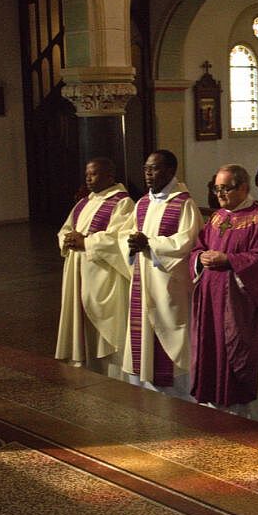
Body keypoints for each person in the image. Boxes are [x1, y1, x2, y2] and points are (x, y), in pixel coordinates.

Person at [190, 164, 258, 423]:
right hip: (213, 302)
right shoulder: (217, 217)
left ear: (244, 187)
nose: (220, 195)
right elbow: (199, 246)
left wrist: (229, 260)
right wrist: (200, 258)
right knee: (216, 352)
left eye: (226, 189)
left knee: (245, 359)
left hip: (244, 305)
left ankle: (254, 421)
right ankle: (219, 413)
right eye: (216, 188)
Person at [121, 150, 203, 398]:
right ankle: (146, 391)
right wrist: (132, 243)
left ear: (170, 171)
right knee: (143, 334)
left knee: (170, 338)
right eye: (146, 168)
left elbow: (188, 242)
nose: (148, 174)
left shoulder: (184, 203)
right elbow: (128, 234)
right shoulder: (142, 203)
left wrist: (151, 245)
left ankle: (180, 398)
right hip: (143, 280)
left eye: (154, 169)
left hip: (168, 284)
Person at [55, 157, 134, 378]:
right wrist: (67, 239)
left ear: (110, 176)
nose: (88, 178)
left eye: (94, 174)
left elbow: (119, 238)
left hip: (103, 275)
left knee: (104, 325)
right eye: (87, 174)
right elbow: (66, 228)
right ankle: (86, 364)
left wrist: (87, 242)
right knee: (81, 318)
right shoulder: (84, 203)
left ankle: (112, 371)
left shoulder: (122, 202)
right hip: (78, 269)